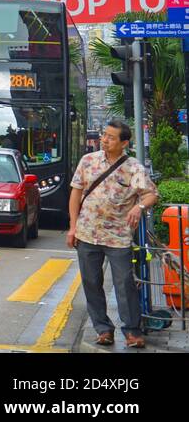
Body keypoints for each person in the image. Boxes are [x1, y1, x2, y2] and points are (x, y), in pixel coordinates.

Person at [68, 122, 158, 349]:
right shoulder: (88, 161)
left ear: (124, 143)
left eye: (111, 137)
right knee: (91, 283)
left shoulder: (132, 167)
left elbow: (150, 194)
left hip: (118, 237)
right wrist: (72, 227)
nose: (104, 139)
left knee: (124, 283)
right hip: (87, 233)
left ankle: (132, 331)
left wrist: (139, 208)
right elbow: (75, 194)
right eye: (104, 135)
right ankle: (103, 329)